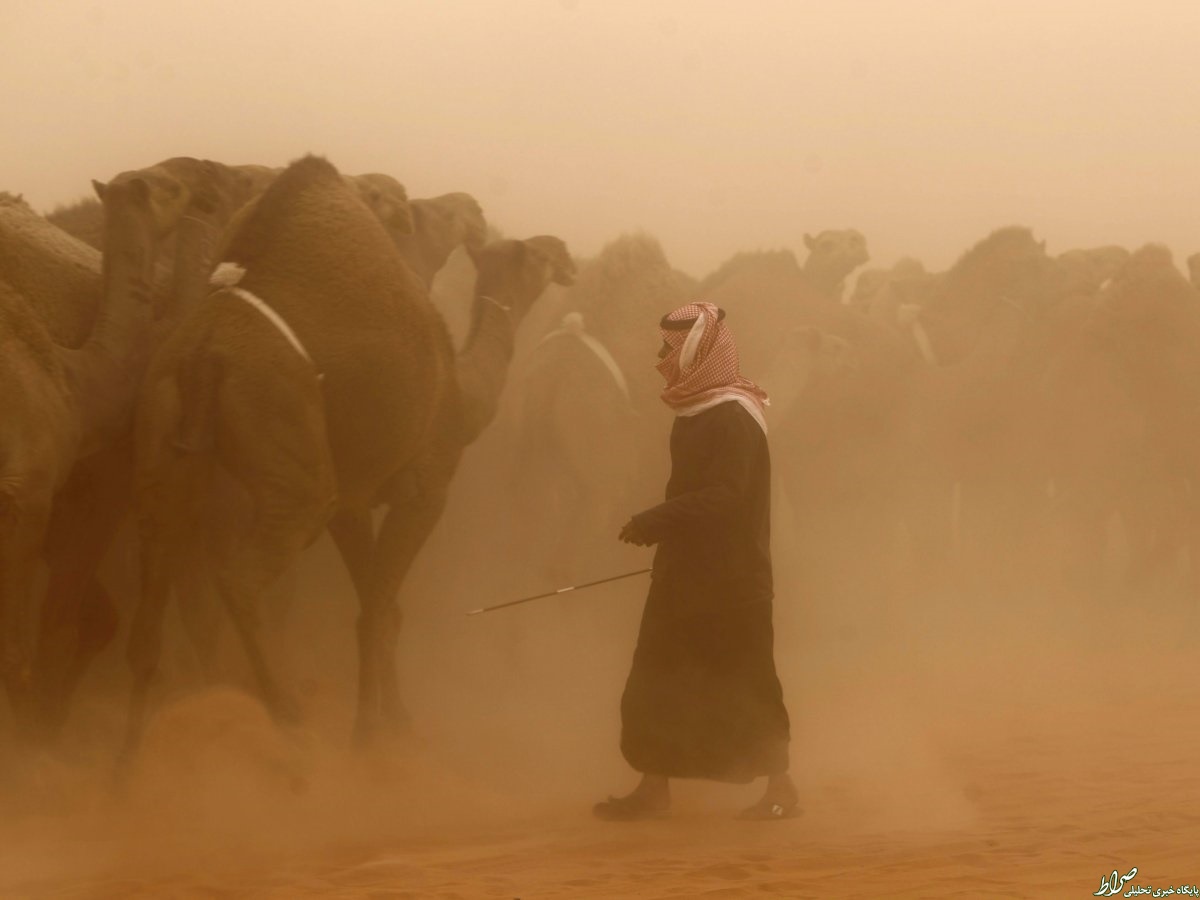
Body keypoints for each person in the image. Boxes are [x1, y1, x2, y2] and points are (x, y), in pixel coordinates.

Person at [594, 301, 797, 821]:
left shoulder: (732, 416)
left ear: (696, 348)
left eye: (669, 344)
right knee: (657, 678)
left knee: (747, 685)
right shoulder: (699, 410)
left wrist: (654, 521)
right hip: (684, 574)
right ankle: (653, 788)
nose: (661, 354)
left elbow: (727, 495)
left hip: (733, 581)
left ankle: (782, 791)